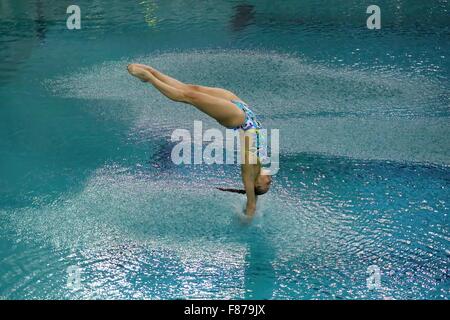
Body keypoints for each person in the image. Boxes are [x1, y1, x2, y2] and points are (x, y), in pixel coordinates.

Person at [127, 63, 272, 217]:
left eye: (266, 185)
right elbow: (254, 194)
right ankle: (153, 72)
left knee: (189, 97)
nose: (270, 182)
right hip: (245, 109)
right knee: (192, 88)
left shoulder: (249, 166)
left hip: (238, 119)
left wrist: (248, 218)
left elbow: (251, 204)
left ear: (255, 183)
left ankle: (149, 78)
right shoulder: (260, 163)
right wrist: (255, 194)